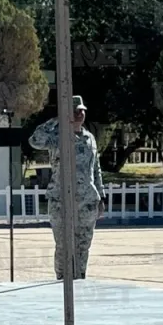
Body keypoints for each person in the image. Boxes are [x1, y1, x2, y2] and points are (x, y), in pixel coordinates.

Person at [29, 95, 105, 280]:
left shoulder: (90, 139)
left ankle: (80, 278)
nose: (80, 114)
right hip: (61, 200)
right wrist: (57, 120)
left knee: (83, 244)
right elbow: (35, 140)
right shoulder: (57, 137)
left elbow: (96, 169)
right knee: (63, 245)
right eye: (75, 111)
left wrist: (101, 197)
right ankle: (62, 281)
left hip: (86, 202)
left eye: (82, 111)